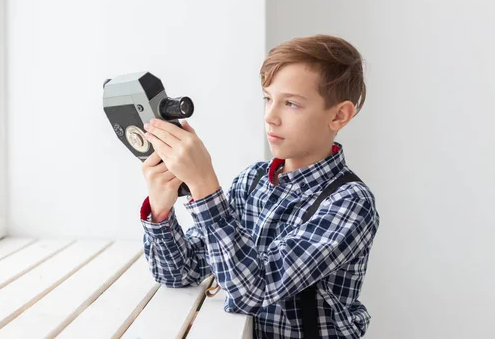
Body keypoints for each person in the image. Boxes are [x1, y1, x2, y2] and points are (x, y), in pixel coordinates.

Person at [139, 34, 380, 338]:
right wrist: (160, 210)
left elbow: (256, 290)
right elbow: (180, 272)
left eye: (291, 103)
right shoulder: (251, 182)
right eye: (268, 98)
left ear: (338, 115)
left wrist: (203, 187)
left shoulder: (348, 203)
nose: (270, 116)